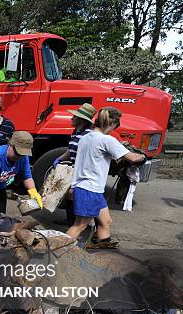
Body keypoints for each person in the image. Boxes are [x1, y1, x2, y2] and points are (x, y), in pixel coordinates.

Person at [65, 107, 145, 246]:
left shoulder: (85, 138)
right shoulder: (107, 140)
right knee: (80, 225)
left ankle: (102, 249)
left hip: (90, 189)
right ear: (112, 123)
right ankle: (55, 252)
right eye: (116, 125)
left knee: (105, 221)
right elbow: (132, 158)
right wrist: (143, 156)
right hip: (89, 189)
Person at [53, 103, 96, 226]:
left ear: (81, 120)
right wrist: (59, 159)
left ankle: (82, 224)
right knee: (70, 195)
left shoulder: (87, 135)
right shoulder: (76, 131)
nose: (71, 118)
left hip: (83, 171)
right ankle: (71, 220)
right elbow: (70, 149)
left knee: (76, 195)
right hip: (75, 168)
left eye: (74, 117)